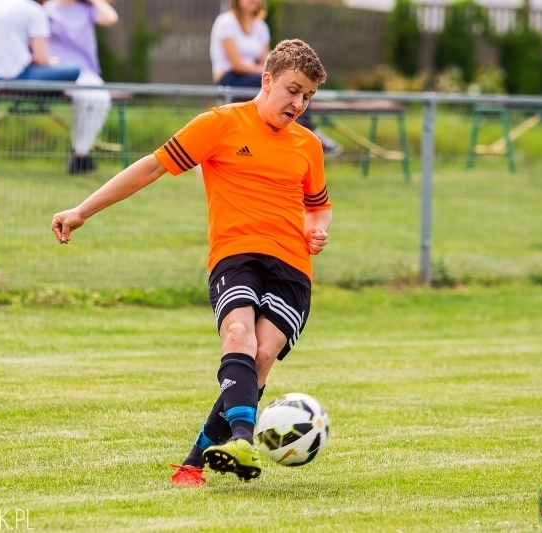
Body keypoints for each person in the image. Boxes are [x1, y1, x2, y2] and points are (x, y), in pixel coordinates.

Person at [51, 39, 332, 486]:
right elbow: (150, 168)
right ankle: (243, 439)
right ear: (266, 80)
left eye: (308, 97)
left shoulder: (308, 145)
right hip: (235, 254)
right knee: (237, 333)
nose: (299, 104)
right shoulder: (219, 125)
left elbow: (318, 204)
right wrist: (81, 211)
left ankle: (194, 462)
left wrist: (318, 227)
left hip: (292, 267)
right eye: (292, 90)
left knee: (260, 355)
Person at [209, 0, 343, 157]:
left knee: (298, 87)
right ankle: (310, 132)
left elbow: (265, 60)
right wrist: (272, 73)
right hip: (230, 79)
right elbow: (237, 64)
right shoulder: (225, 23)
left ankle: (301, 138)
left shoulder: (260, 26)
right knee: (287, 84)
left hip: (256, 76)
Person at [45, 0, 119, 175]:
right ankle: (80, 155)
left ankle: (80, 152)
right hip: (60, 71)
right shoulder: (48, 10)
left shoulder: (87, 9)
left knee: (100, 99)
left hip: (86, 71)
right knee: (84, 99)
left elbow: (111, 18)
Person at [0, 0, 80, 82]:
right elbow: (41, 59)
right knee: (73, 69)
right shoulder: (36, 11)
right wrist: (52, 61)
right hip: (11, 77)